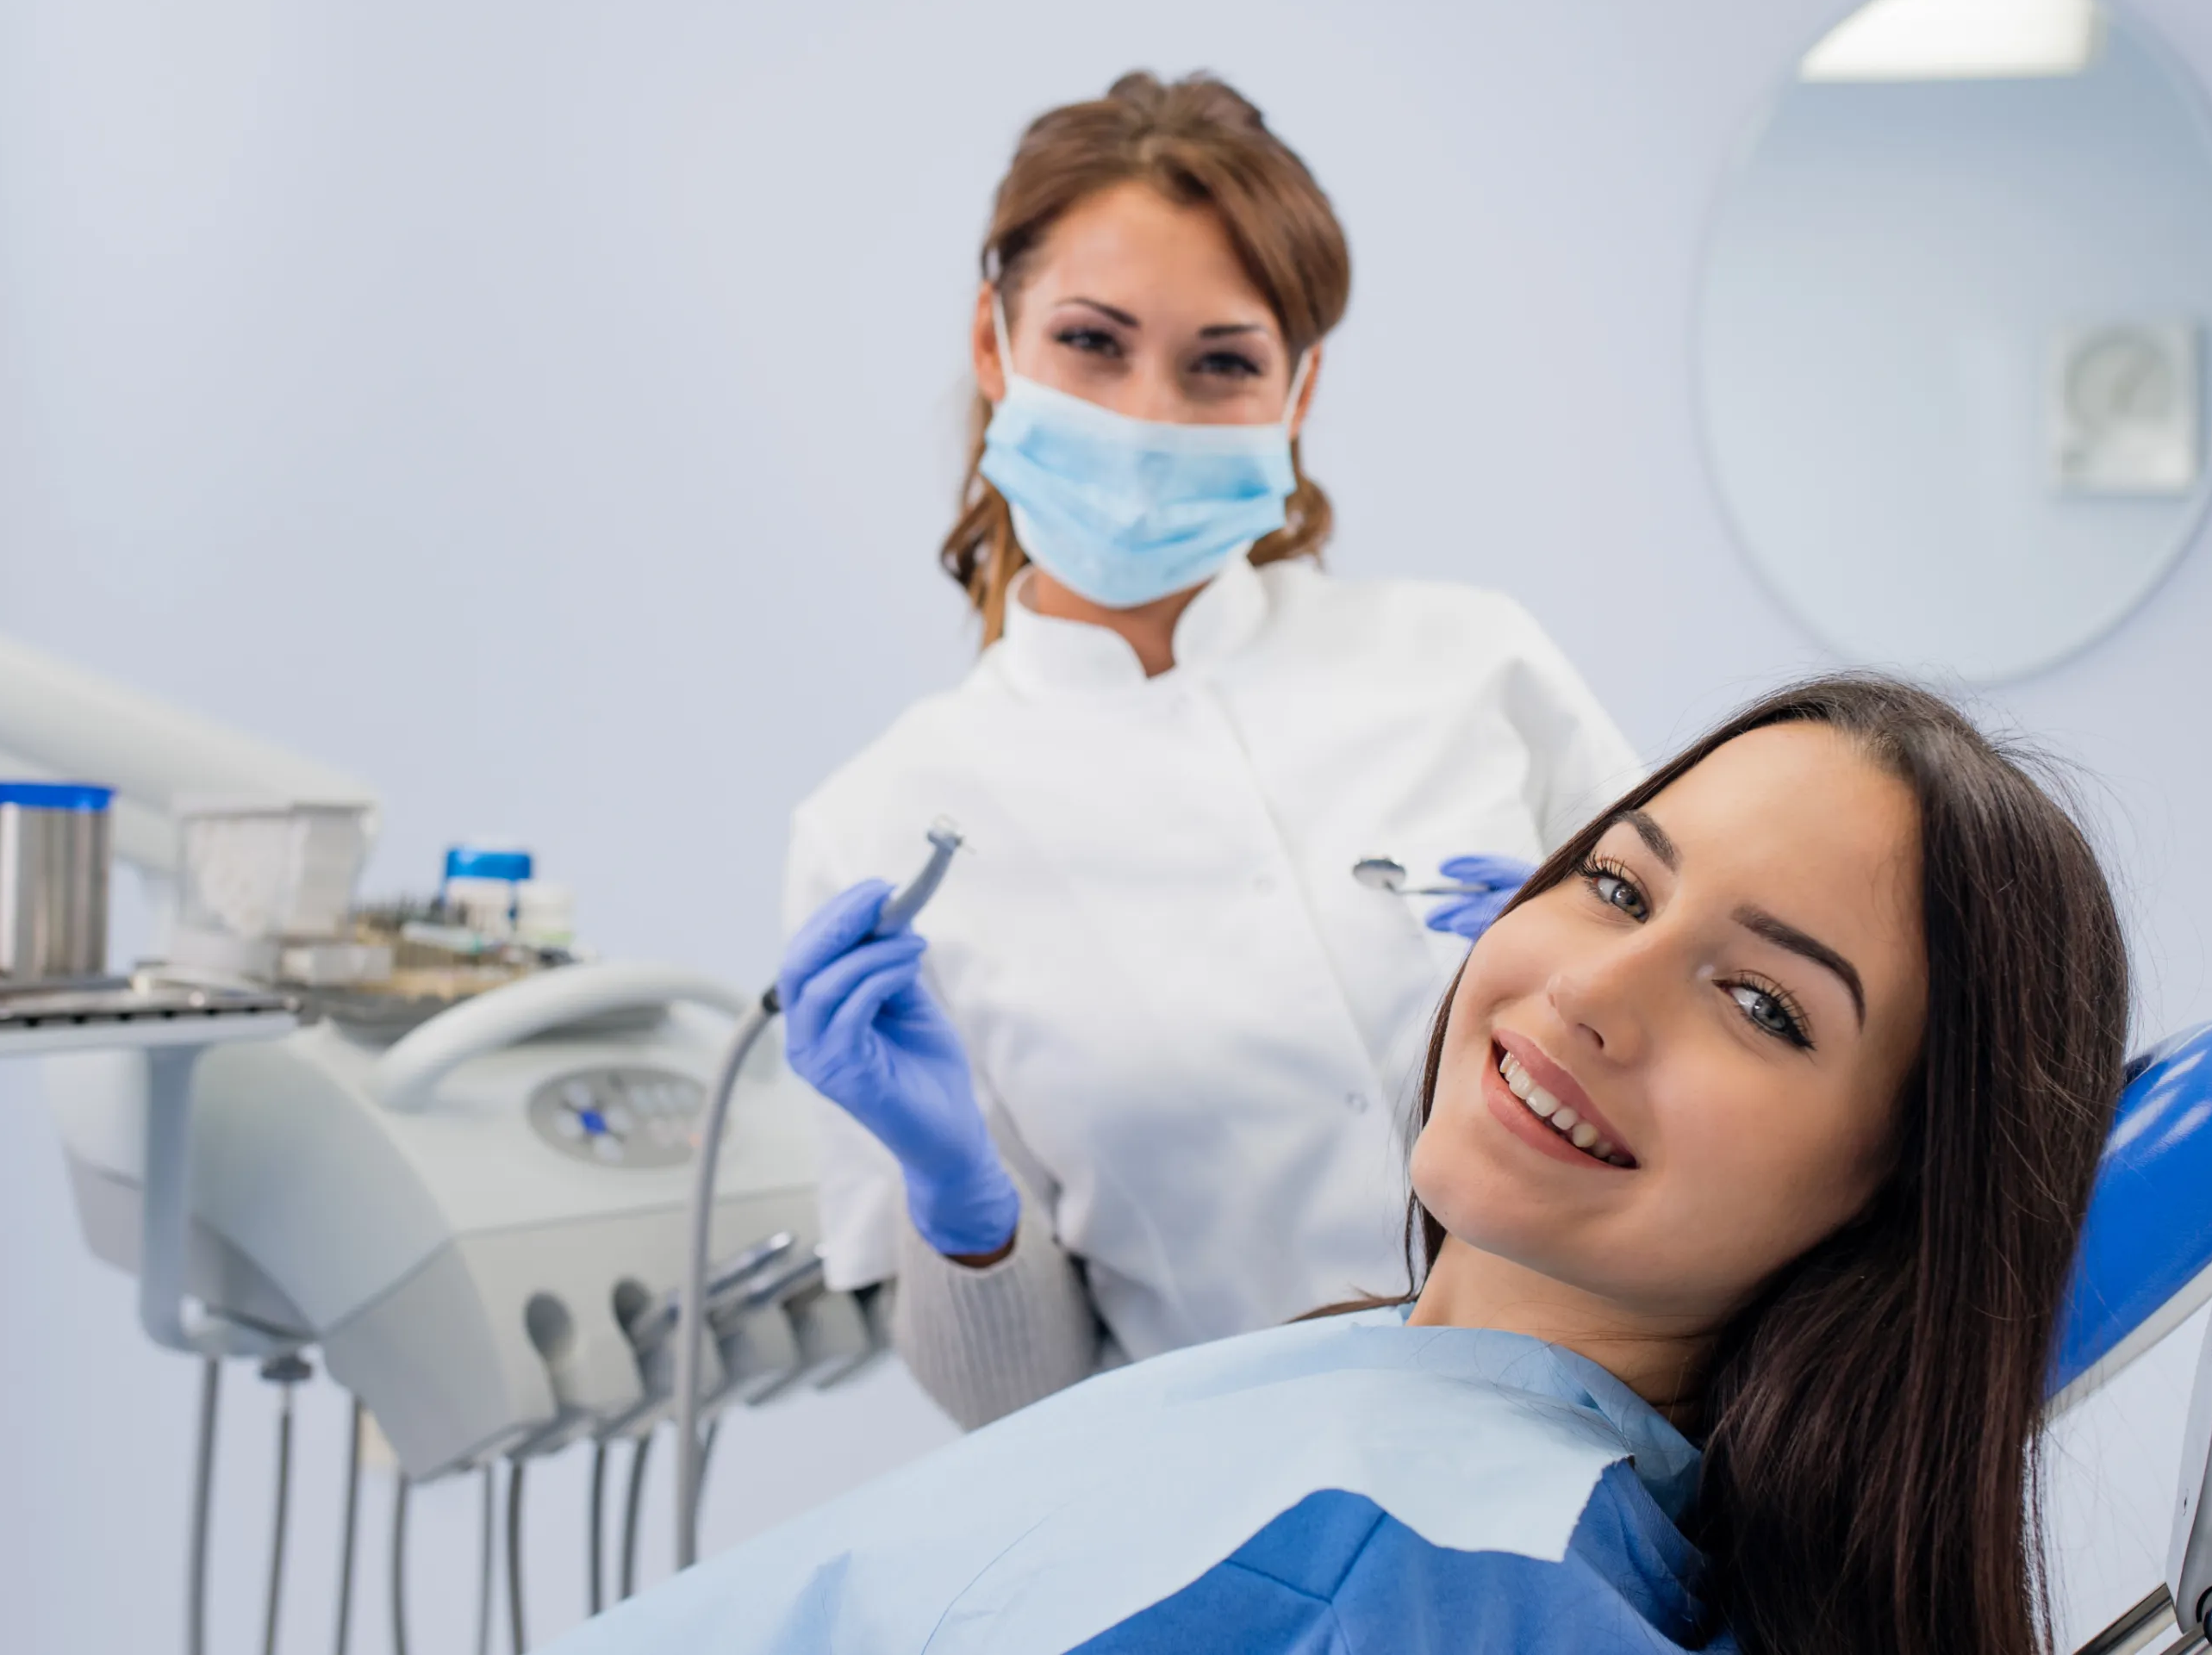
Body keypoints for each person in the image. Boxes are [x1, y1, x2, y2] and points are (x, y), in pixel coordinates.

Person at [576, 675, 2128, 1655]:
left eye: (1762, 1002)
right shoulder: (1390, 1399)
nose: (1591, 990)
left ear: (1896, 1192)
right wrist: (960, 1194)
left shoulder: (1426, 1579)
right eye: (1611, 881)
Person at [782, 70, 1638, 1429]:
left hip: (1634, 1436)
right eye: (1092, 343)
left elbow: (1723, 1081)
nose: (1147, 417)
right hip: (1251, 1530)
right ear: (996, 347)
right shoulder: (880, 829)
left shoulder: (1476, 665)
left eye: (1222, 361)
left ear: (1298, 390)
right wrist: (957, 1196)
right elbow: (1022, 1409)